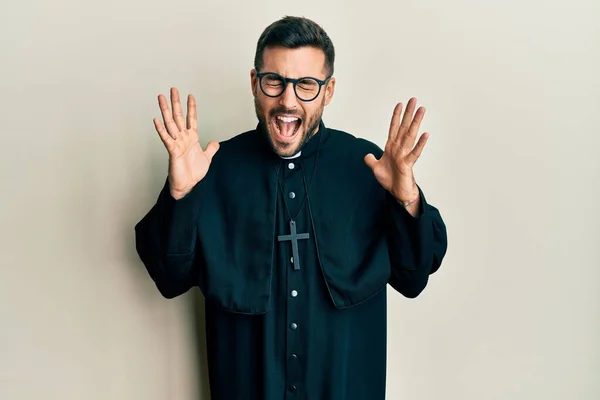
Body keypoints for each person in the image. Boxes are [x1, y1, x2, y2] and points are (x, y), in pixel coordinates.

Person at [134, 15, 448, 400]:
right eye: (274, 82)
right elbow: (170, 280)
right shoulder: (211, 168)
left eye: (306, 85)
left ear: (328, 90)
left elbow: (413, 279)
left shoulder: (370, 167)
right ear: (255, 83)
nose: (288, 100)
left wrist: (407, 198)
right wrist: (181, 194)